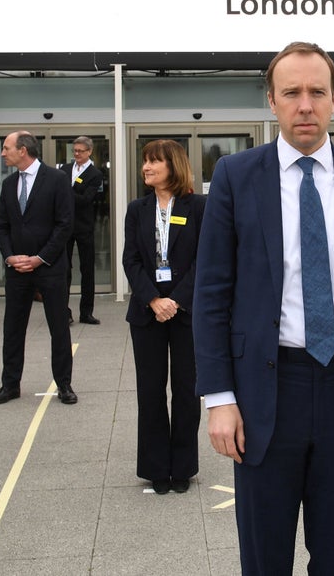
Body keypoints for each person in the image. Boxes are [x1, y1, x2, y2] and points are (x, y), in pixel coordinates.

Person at [194, 41, 334, 575]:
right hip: (265, 392)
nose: (305, 105)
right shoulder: (235, 176)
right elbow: (211, 294)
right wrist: (218, 398)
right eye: (291, 92)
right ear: (271, 100)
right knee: (266, 558)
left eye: (317, 92)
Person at [123, 140, 206, 495]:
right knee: (151, 391)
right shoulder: (137, 209)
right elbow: (131, 260)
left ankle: (183, 466)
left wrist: (176, 301)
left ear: (173, 166)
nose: (146, 167)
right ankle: (156, 467)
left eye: (154, 161)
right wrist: (155, 299)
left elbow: (206, 259)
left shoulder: (199, 207)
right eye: (145, 162)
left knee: (187, 391)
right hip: (147, 312)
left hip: (186, 313)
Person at [0, 131, 77, 405]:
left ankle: (64, 385)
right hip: (17, 271)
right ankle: (10, 385)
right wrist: (9, 257)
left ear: (23, 150)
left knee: (59, 328)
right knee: (12, 328)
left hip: (49, 268)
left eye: (7, 148)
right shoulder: (8, 184)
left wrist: (40, 258)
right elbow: (2, 226)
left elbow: (65, 224)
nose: (3, 153)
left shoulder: (57, 179)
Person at [66, 136, 103, 326]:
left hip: (84, 227)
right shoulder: (65, 170)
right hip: (64, 226)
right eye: (75, 150)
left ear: (89, 151)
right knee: (64, 269)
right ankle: (64, 311)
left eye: (80, 151)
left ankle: (86, 312)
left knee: (87, 269)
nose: (77, 154)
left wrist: (65, 191)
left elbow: (86, 199)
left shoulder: (95, 174)